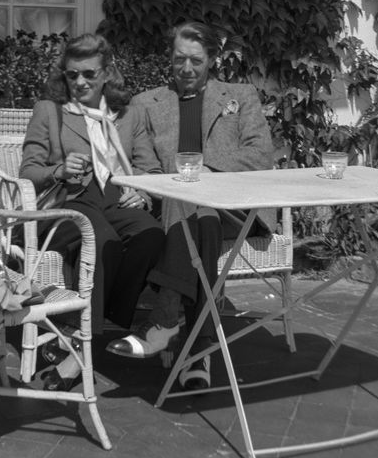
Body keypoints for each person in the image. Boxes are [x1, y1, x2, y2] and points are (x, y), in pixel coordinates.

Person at [106, 21, 275, 391]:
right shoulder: (147, 103)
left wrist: (207, 171)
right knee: (195, 209)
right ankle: (199, 346)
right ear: (170, 56)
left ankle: (165, 317)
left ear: (212, 59)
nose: (186, 68)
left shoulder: (240, 96)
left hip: (236, 209)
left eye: (196, 61)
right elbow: (141, 164)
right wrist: (150, 189)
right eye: (179, 59)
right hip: (178, 208)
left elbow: (261, 154)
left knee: (198, 202)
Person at [19, 33, 166, 391]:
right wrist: (59, 169)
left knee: (151, 235)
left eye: (88, 74)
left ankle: (99, 322)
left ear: (106, 74)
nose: (80, 82)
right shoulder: (50, 111)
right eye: (72, 75)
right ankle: (81, 351)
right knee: (99, 238)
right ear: (63, 76)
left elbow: (151, 170)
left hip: (116, 198)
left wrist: (143, 193)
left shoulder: (128, 115)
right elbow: (27, 173)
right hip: (67, 203)